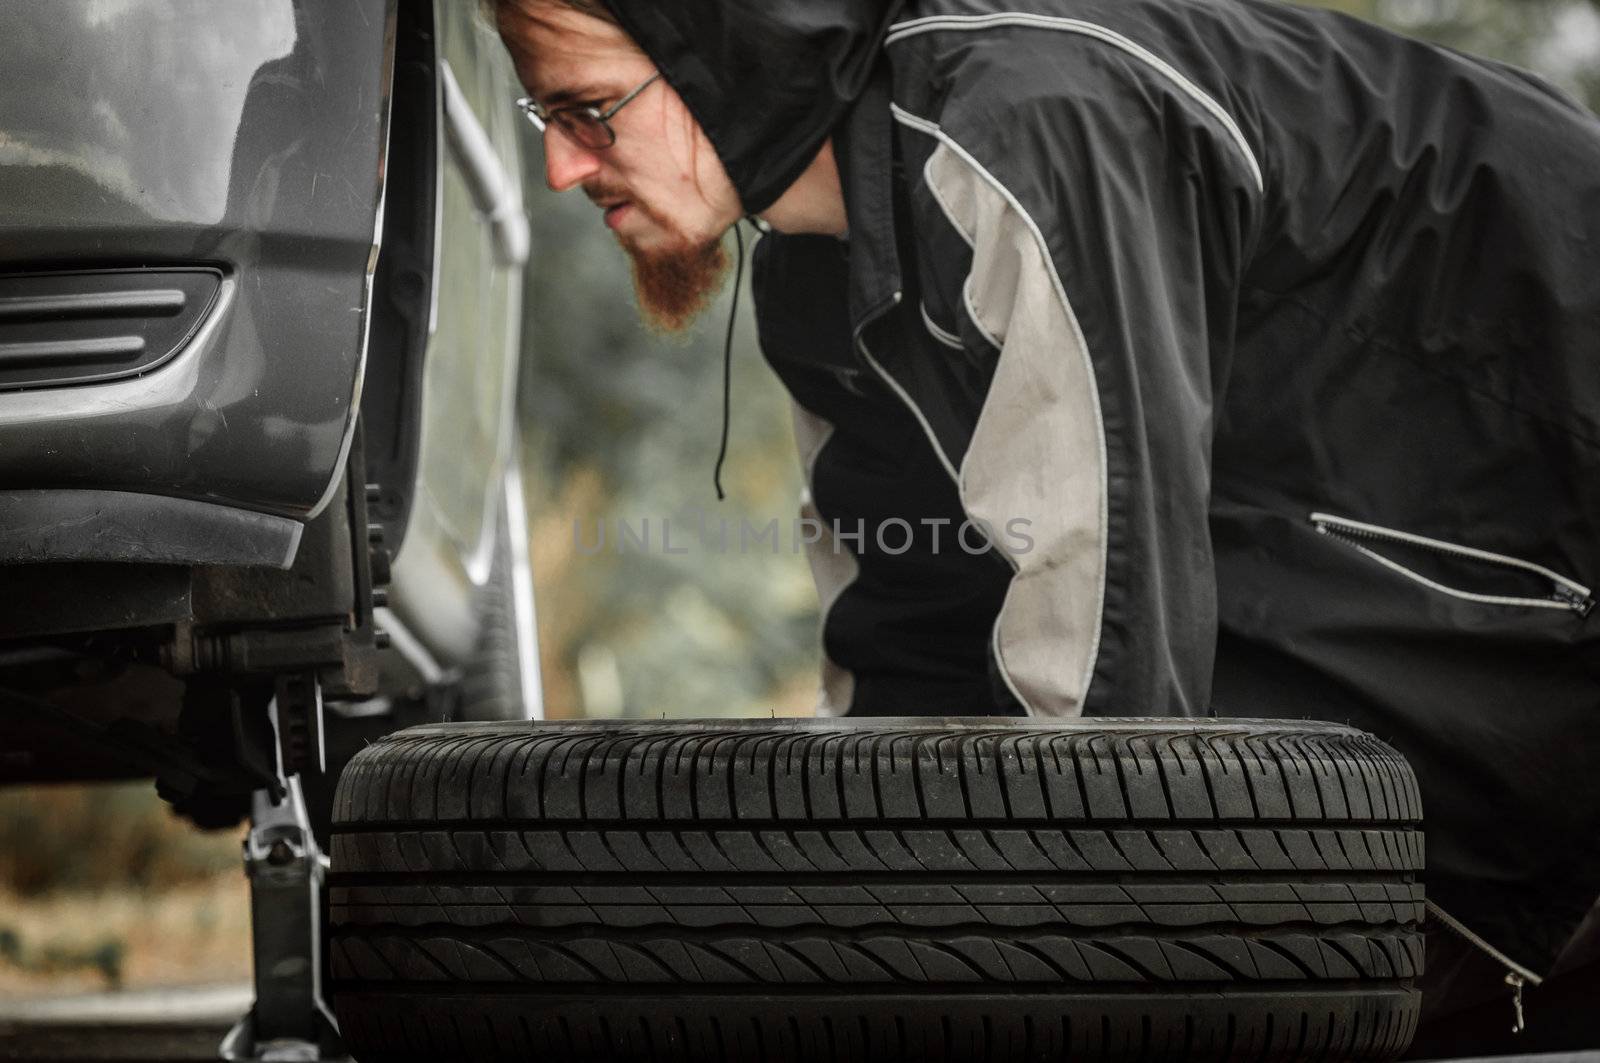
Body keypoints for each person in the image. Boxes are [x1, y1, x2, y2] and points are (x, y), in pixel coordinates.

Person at [493, 0, 1600, 1042]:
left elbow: (1112, 648)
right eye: (545, 118)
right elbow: (906, 639)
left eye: (590, 110)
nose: (560, 168)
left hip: (1526, 592)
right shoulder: (818, 276)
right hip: (1365, 610)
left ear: (719, 51)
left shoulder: (1023, 125)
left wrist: (1060, 956)